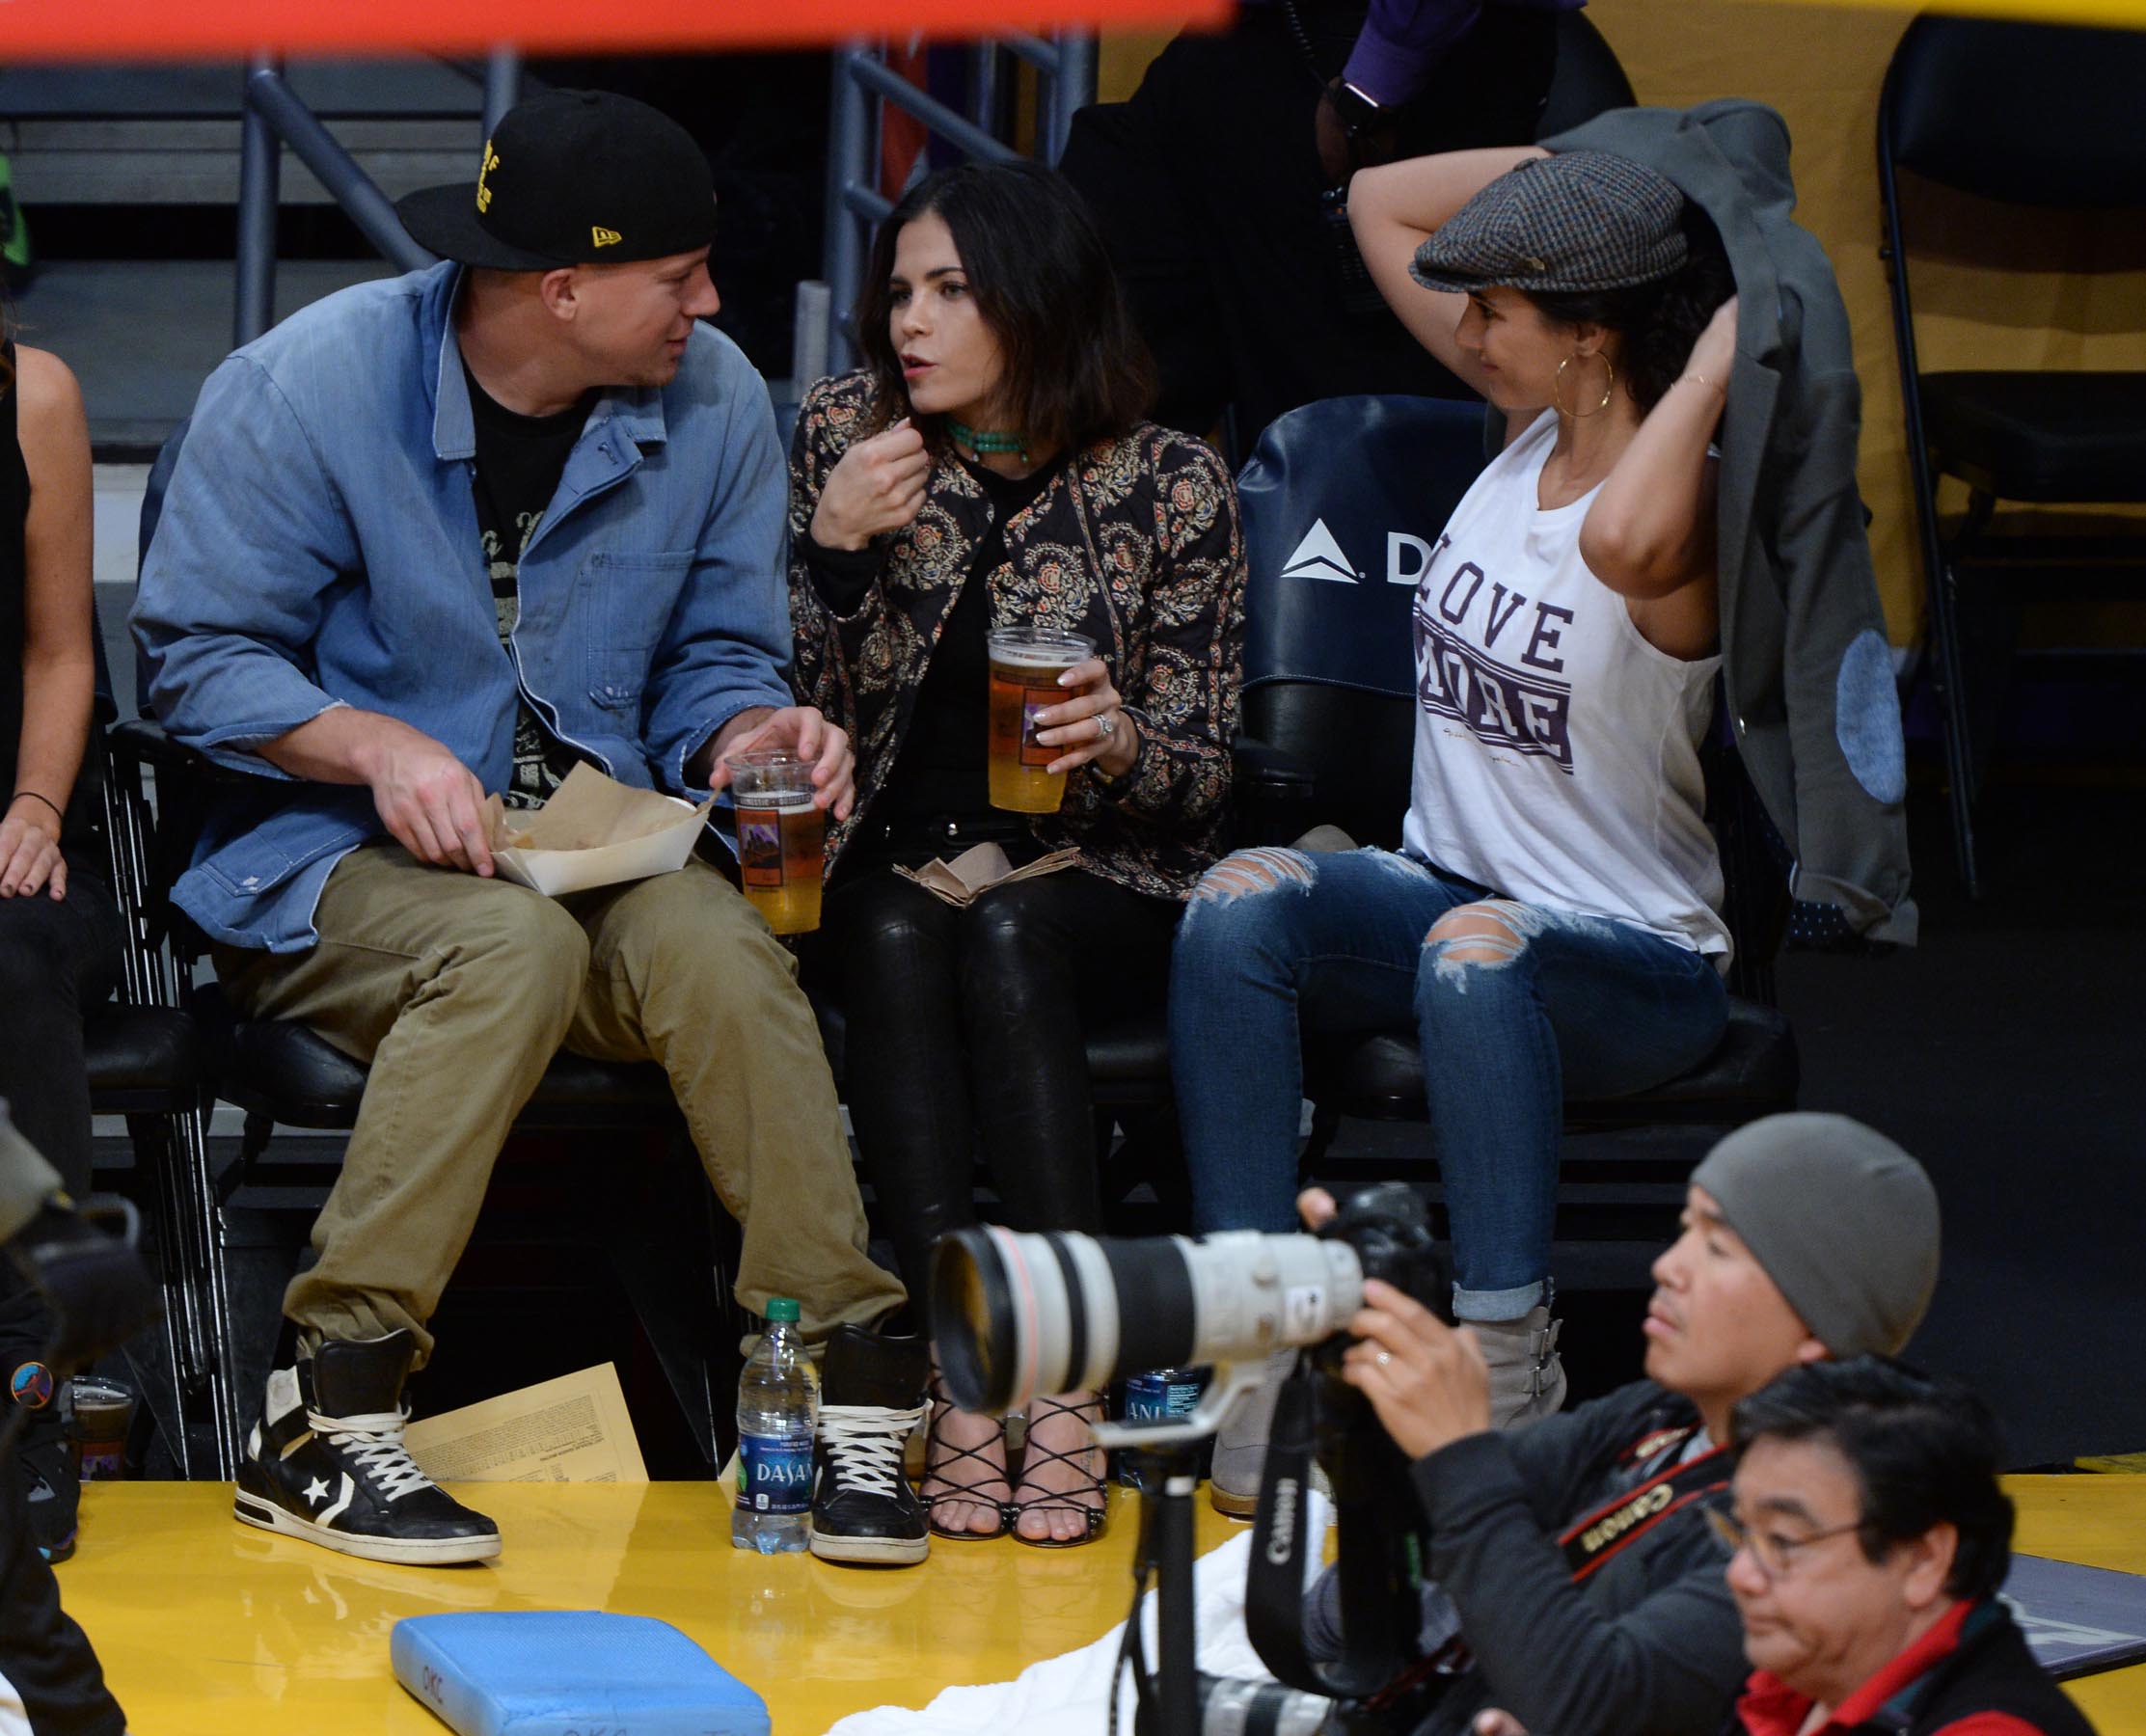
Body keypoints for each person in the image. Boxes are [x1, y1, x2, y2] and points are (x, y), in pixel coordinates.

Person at [130, 90, 909, 1569]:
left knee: (724, 949)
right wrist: (373, 742)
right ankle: (326, 1405)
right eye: (677, 276)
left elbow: (717, 660)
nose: (711, 302)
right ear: (563, 290)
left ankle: (837, 1380)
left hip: (589, 849)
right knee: (504, 952)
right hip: (323, 858)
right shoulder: (304, 389)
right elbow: (193, 660)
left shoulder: (717, 395)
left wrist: (753, 735)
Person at [1172, 145, 1743, 1505]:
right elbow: (1382, 199)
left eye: (1495, 311)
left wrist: (1732, 332)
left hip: (1633, 962)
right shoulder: (1527, 429)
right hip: (1453, 891)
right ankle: (1262, 1344)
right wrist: (1628, 166)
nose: (1463, 335)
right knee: (1236, 903)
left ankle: (1503, 1357)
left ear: (1590, 337)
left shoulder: (1675, 507)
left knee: (1476, 954)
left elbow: (1615, 547)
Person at [787, 159, 1244, 1549]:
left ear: (1036, 307)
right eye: (900, 292)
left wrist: (1115, 743)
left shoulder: (1167, 481)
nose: (908, 323)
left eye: (951, 292)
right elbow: (795, 728)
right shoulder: (844, 441)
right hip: (884, 863)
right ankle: (956, 1366)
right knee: (889, 925)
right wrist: (838, 557)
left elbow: (1203, 785)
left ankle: (1060, 1370)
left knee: (1003, 929)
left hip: (1097, 871)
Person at [1297, 1112, 1943, 1736]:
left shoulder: (1824, 1534)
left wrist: (1455, 1446)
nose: (1668, 1266)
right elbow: (1432, 1515)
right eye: (1684, 1230)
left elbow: (1595, 1703)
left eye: (1715, 1247)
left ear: (1813, 1323)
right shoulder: (1662, 1418)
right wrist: (1363, 1372)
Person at [1058, 0, 1581, 449]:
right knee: (1111, 323)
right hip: (1261, 47)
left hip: (1381, 67)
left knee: (1342, 431)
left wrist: (1372, 89)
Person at [0, 322, 122, 1569]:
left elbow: (59, 650)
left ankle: (25, 1401)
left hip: (18, 831)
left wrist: (34, 804)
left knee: (9, 960)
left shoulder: (31, 390)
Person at [1721, 1357, 2095, 1736]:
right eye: (1742, 1530)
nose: (1740, 1575)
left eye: (1783, 1541)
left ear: (1923, 1559)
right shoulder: (1790, 1681)